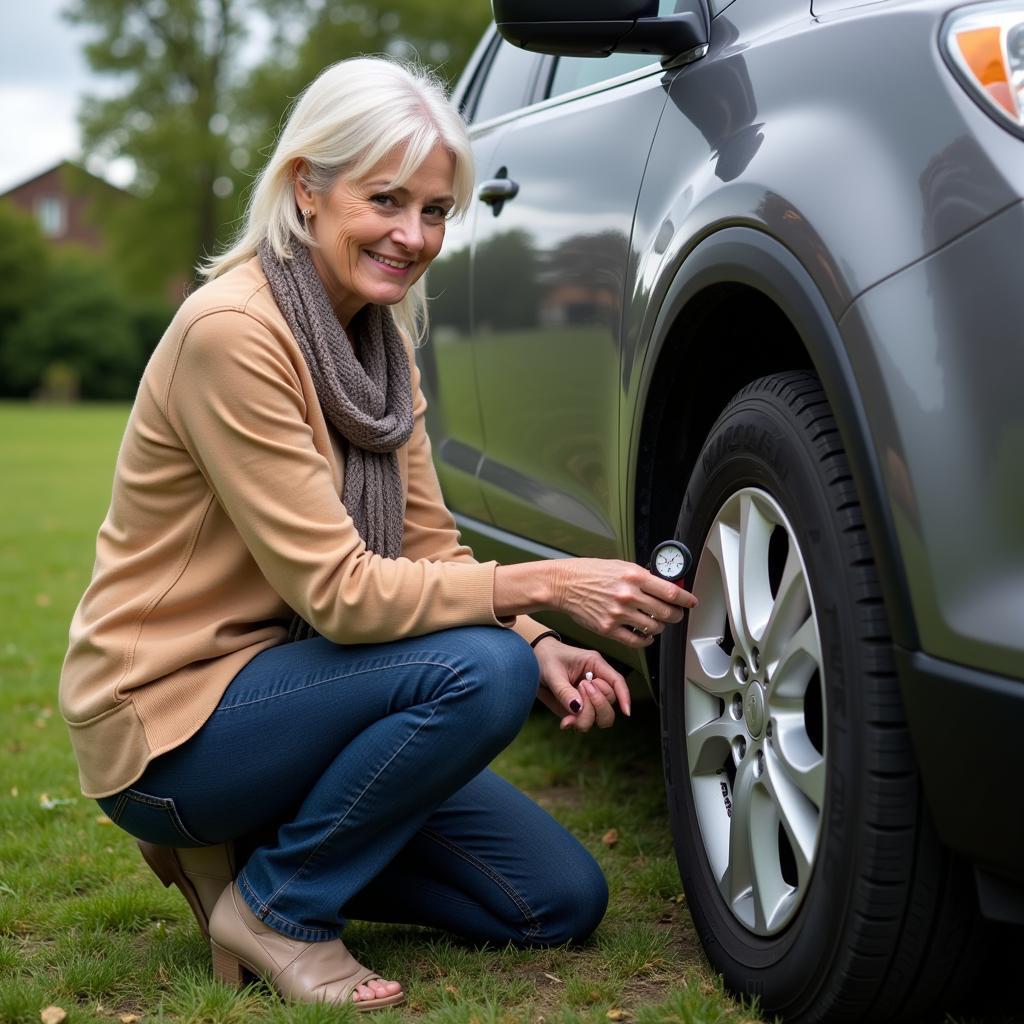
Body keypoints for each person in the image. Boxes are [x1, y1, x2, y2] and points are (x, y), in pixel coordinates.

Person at [58, 56, 697, 1011]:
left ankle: (235, 858)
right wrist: (543, 589)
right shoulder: (235, 335)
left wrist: (541, 639)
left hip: (292, 698)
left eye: (435, 210)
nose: (413, 235)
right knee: (480, 675)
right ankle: (278, 906)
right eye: (386, 199)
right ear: (307, 189)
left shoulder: (378, 352)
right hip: (170, 722)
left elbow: (427, 552)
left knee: (556, 900)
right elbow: (344, 595)